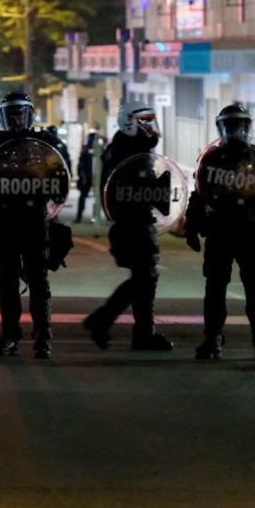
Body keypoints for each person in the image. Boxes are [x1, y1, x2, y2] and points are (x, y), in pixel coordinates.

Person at [0, 91, 70, 359]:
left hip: (35, 221)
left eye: (21, 111)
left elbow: (61, 179)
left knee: (38, 278)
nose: (17, 117)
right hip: (5, 221)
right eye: (11, 112)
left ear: (30, 113)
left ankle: (43, 337)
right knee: (7, 279)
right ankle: (10, 335)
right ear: (3, 117)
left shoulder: (46, 143)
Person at [185, 103, 255, 361]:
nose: (235, 130)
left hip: (250, 230)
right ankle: (212, 340)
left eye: (239, 125)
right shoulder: (212, 158)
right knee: (216, 287)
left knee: (253, 288)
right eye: (230, 125)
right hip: (222, 230)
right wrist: (192, 227)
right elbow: (199, 193)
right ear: (221, 127)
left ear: (247, 126)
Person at [82, 104, 172, 351]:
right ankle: (104, 320)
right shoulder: (127, 151)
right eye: (145, 121)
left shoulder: (129, 149)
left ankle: (140, 332)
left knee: (144, 279)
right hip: (131, 222)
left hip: (136, 221)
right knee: (145, 278)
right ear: (130, 122)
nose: (150, 127)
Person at [75, 129, 98, 223]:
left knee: (94, 198)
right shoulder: (87, 151)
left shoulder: (95, 150)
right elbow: (81, 166)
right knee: (83, 197)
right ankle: (79, 216)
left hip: (93, 177)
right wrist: (83, 177)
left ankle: (94, 217)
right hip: (87, 177)